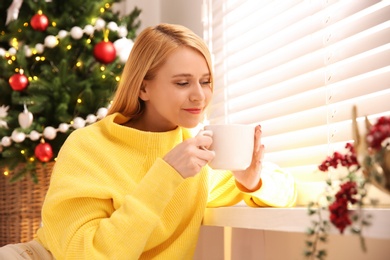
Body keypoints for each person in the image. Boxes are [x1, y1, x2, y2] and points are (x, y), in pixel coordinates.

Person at [0, 23, 296, 259]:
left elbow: (288, 189)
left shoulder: (198, 154)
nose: (199, 95)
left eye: (205, 81)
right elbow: (86, 255)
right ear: (143, 88)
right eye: (182, 82)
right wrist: (165, 175)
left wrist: (250, 180)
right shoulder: (87, 147)